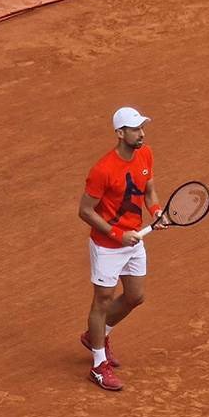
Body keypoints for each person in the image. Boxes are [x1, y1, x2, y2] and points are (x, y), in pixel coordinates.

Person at [77, 107, 167, 391]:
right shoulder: (102, 170)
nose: (141, 134)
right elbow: (85, 211)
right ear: (120, 133)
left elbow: (149, 190)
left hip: (134, 240)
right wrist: (117, 234)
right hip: (107, 245)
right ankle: (98, 365)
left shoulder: (145, 154)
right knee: (102, 301)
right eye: (135, 129)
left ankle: (95, 335)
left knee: (134, 296)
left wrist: (156, 211)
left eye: (142, 128)